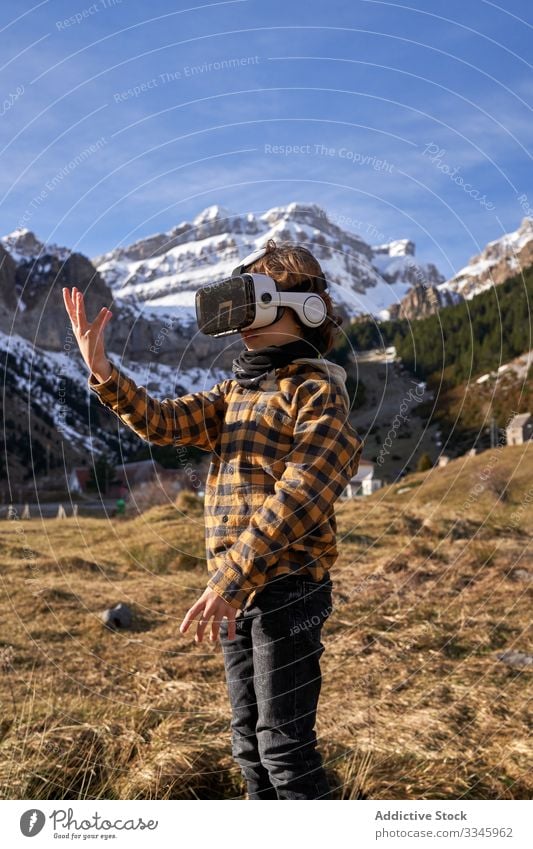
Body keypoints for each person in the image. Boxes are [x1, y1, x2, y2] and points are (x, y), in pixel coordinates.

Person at [62, 238, 364, 800]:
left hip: (286, 591)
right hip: (236, 592)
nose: (243, 323)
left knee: (284, 749)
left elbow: (302, 495)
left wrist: (230, 577)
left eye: (257, 305)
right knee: (249, 746)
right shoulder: (236, 392)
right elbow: (161, 422)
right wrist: (102, 371)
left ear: (308, 310)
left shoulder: (317, 392)